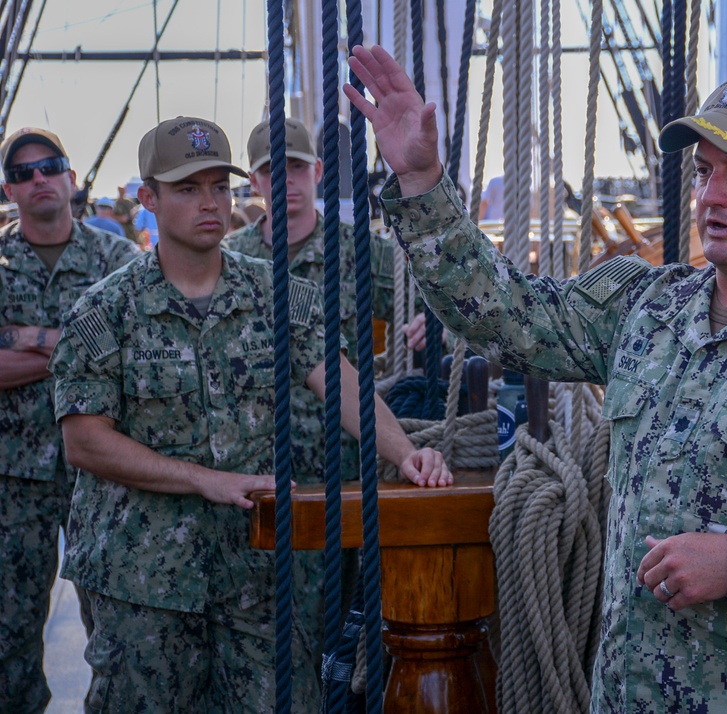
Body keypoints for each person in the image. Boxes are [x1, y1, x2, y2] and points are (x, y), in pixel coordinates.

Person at [346, 47, 727, 712]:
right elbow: (502, 315)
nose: (711, 195)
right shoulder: (647, 308)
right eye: (704, 172)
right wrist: (422, 182)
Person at [48, 115, 451, 712]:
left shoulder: (281, 295)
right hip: (144, 586)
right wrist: (207, 481)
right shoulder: (105, 310)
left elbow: (339, 383)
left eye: (219, 186)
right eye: (187, 189)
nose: (209, 203)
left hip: (259, 579)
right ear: (148, 198)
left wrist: (404, 450)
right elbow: (84, 442)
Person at [222, 115, 427, 670]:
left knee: (335, 636)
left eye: (295, 167)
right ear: (256, 183)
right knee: (258, 636)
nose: (285, 181)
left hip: (341, 476)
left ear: (315, 171)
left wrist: (428, 326)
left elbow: (430, 302)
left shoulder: (360, 253)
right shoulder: (229, 261)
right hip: (255, 481)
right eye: (271, 171)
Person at [0, 126, 142, 713]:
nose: (38, 179)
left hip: (103, 473)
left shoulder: (118, 261)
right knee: (7, 633)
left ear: (71, 177)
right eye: (23, 173)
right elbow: (99, 352)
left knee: (118, 631)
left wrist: (26, 341)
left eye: (49, 166)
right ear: (9, 189)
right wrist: (74, 346)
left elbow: (133, 354)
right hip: (14, 480)